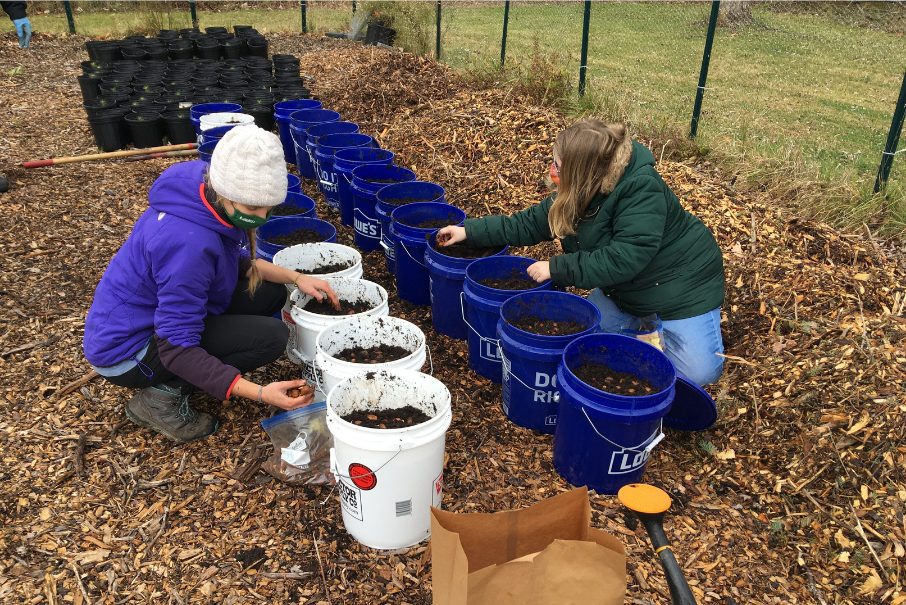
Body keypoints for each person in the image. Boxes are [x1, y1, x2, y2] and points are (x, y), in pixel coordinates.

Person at [83, 125, 339, 442]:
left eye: (267, 208)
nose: (260, 217)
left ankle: (206, 363)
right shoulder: (187, 245)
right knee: (271, 338)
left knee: (269, 291)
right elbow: (176, 348)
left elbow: (234, 263)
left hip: (159, 315)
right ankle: (160, 399)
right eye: (251, 209)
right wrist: (261, 393)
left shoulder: (202, 190)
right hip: (128, 351)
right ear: (224, 193)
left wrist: (298, 278)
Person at [438, 120, 725, 386]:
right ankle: (644, 329)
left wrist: (557, 268)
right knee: (585, 344)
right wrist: (468, 232)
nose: (552, 172)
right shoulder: (582, 188)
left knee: (697, 375)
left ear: (581, 170)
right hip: (625, 291)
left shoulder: (641, 189)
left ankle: (660, 327)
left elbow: (624, 258)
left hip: (682, 287)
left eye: (558, 167)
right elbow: (528, 223)